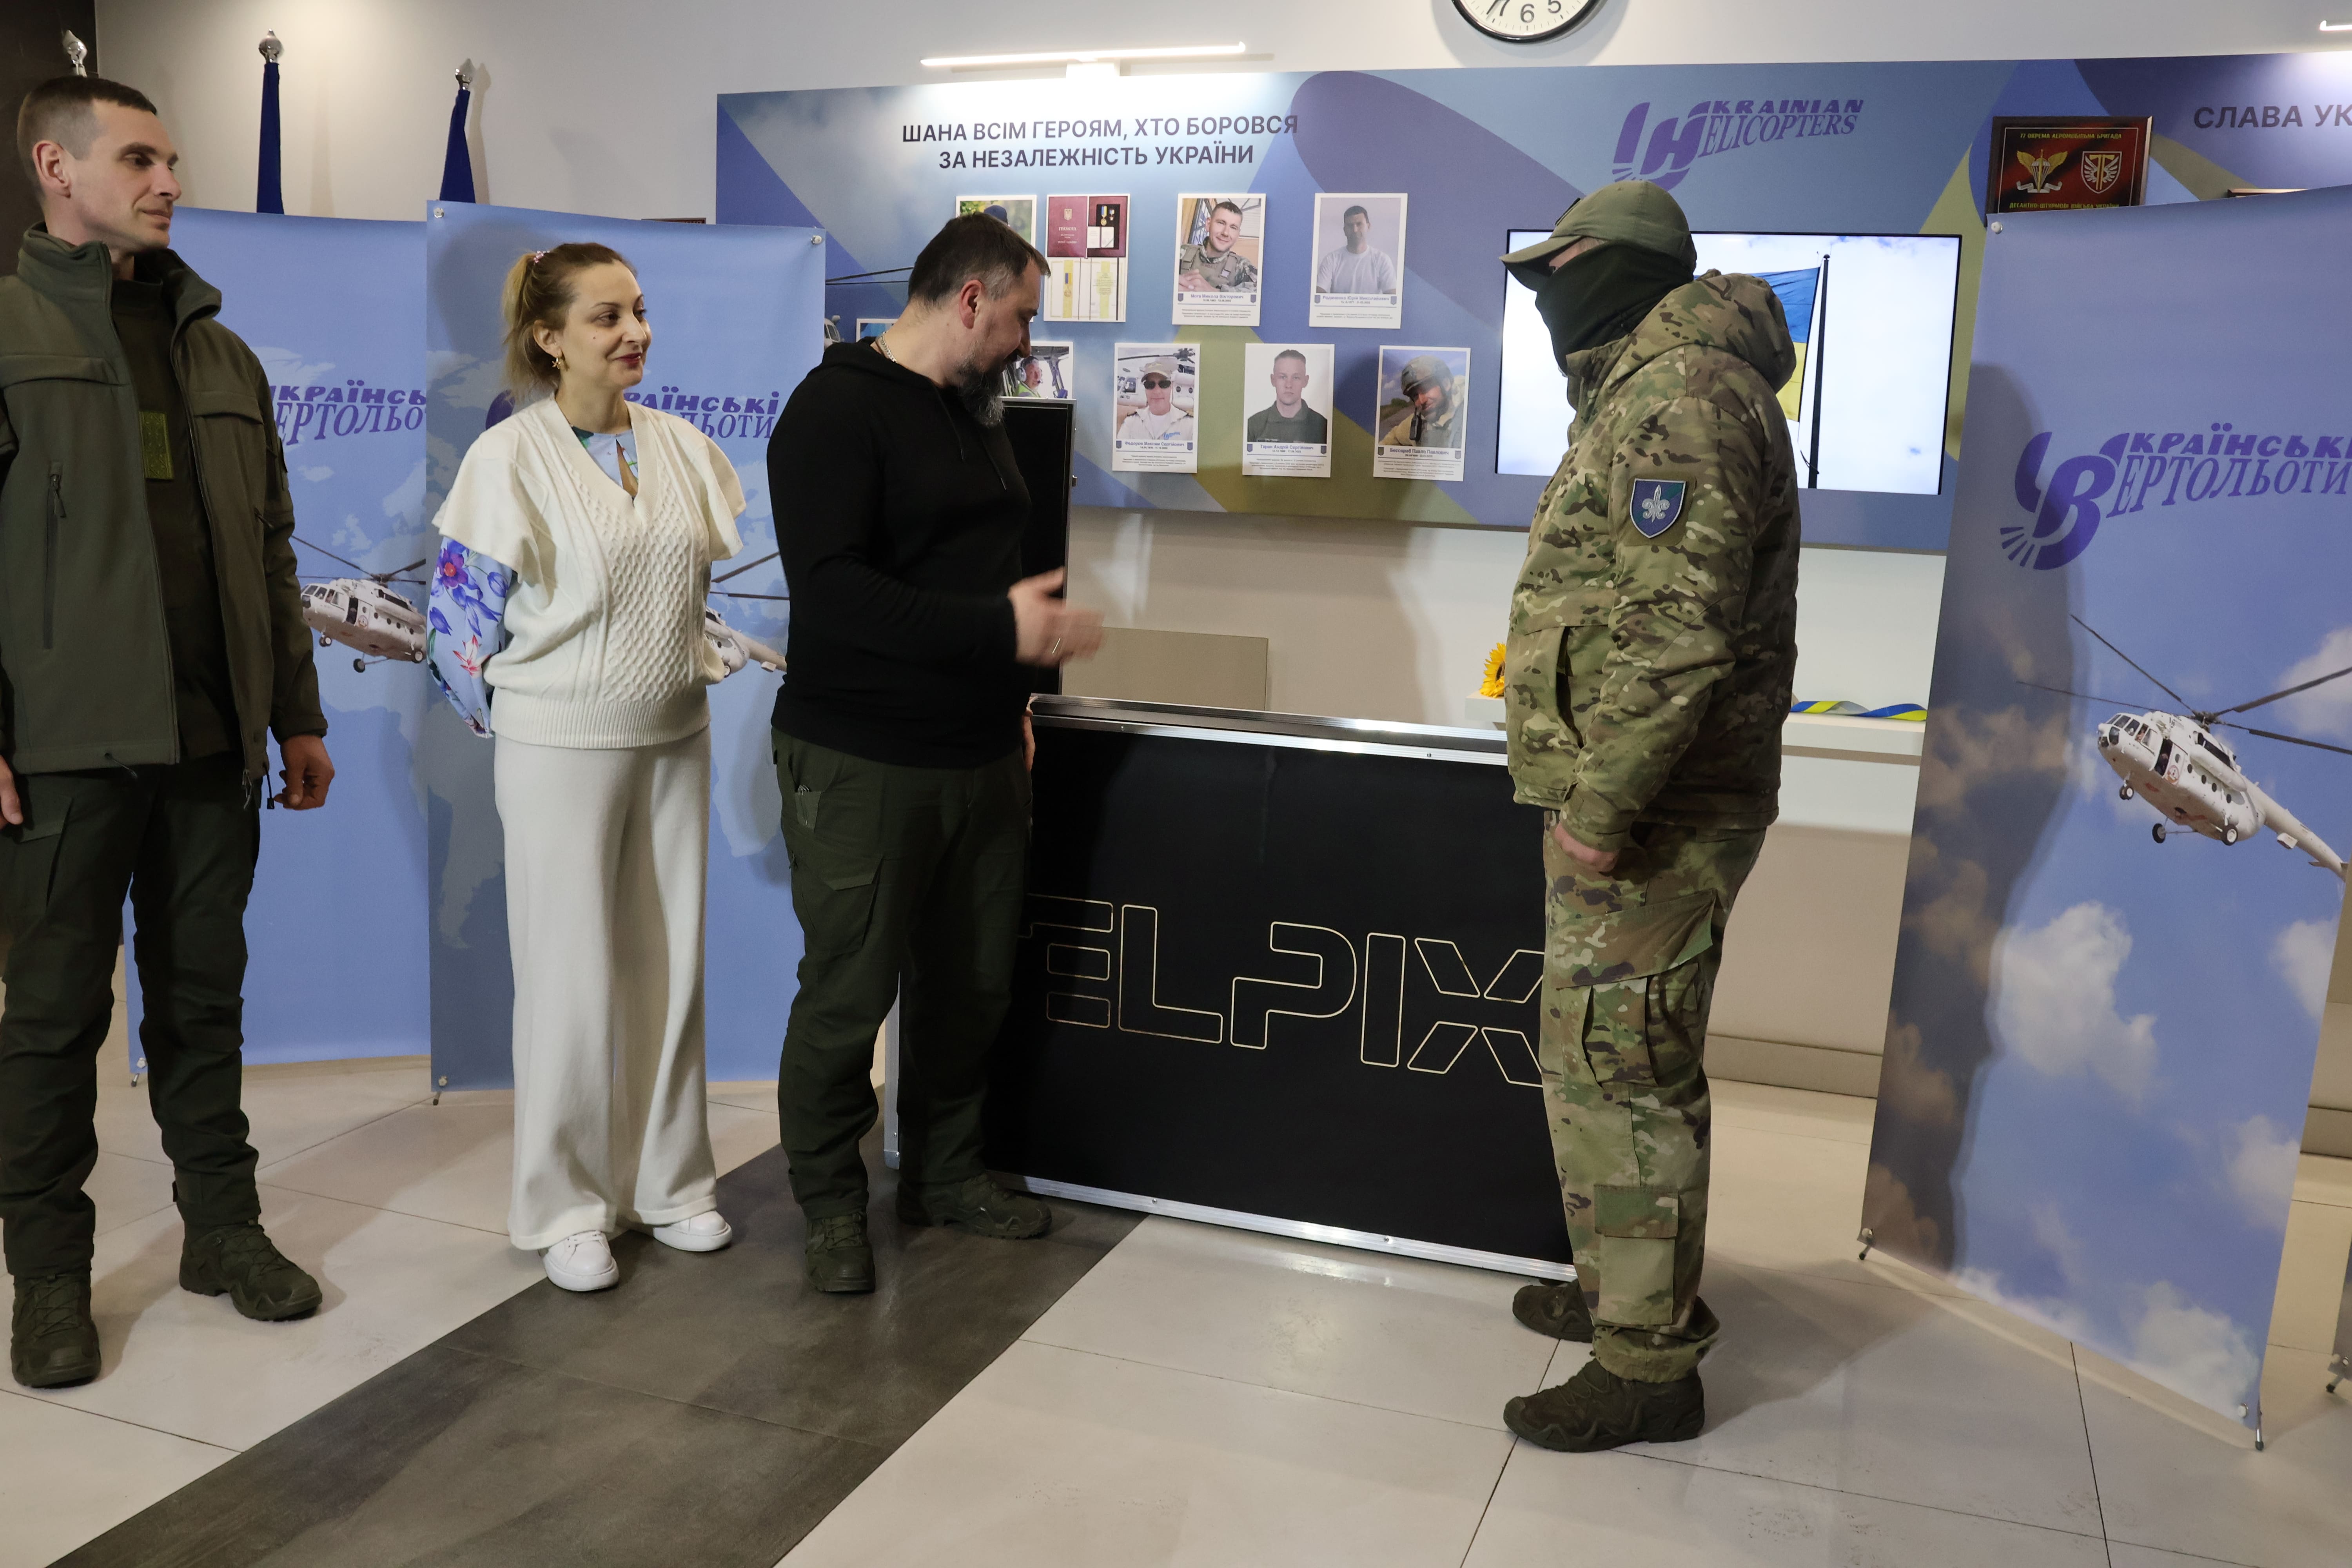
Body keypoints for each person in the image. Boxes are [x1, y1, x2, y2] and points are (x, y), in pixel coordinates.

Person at [0, 76, 334, 1390]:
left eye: (172, 161)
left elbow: (270, 549)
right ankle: (47, 1277)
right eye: (139, 159)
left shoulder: (221, 353)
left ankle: (223, 1233)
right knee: (51, 1025)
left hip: (213, 745)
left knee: (204, 1004)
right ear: (55, 166)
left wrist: (296, 715)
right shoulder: (9, 333)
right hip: (64, 751)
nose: (170, 184)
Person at [1493, 180, 1799, 1450]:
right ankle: (1622, 1287)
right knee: (1599, 1058)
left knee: (1624, 1067)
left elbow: (1677, 634)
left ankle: (1649, 1367)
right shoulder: (1649, 386)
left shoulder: (1682, 397)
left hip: (1656, 810)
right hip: (1635, 802)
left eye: (1557, 270)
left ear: (1616, 270)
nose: (1543, 296)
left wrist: (1602, 807)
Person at [766, 213, 1102, 1294]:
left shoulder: (974, 409)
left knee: (970, 987)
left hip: (981, 753)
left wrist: (1014, 696)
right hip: (861, 757)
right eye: (1021, 316)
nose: (1026, 340)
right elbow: (833, 593)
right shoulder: (834, 410)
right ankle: (830, 1205)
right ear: (970, 298)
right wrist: (1001, 631)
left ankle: (944, 1174)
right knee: (848, 995)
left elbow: (981, 569)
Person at [426, 242, 748, 1293]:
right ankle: (565, 1205)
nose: (636, 332)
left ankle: (670, 1183)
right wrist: (524, 724)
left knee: (672, 970)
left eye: (639, 310)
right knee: (567, 981)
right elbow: (454, 630)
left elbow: (686, 595)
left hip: (676, 737)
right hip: (557, 747)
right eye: (608, 317)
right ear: (550, 338)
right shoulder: (507, 459)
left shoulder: (685, 448)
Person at [1314, 203, 1399, 297]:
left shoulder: (1382, 260)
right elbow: (1319, 295)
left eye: (1359, 224)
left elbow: (1393, 298)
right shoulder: (1331, 260)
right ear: (1345, 230)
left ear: (1368, 227)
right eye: (1350, 226)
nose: (1355, 230)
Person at [1245, 350, 1328, 445]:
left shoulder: (1322, 426)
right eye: (1283, 377)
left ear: (1305, 381)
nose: (1289, 385)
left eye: (1296, 378)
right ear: (1273, 380)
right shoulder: (1254, 425)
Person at [1378, 354, 1461, 448]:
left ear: (1446, 385)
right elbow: (1389, 442)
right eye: (1415, 395)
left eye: (1426, 389)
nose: (1421, 401)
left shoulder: (1469, 413)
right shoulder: (1417, 423)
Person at [1176, 199, 1258, 294]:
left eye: (1233, 228)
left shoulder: (1242, 266)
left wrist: (1215, 292)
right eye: (1221, 223)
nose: (1226, 233)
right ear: (1208, 224)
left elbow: (1262, 291)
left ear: (1238, 234)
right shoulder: (1182, 252)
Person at [1115, 358, 1194, 444]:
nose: (1157, 391)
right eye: (1150, 385)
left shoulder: (1190, 424)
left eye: (1164, 384)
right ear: (1145, 389)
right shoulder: (1130, 422)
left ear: (1171, 387)